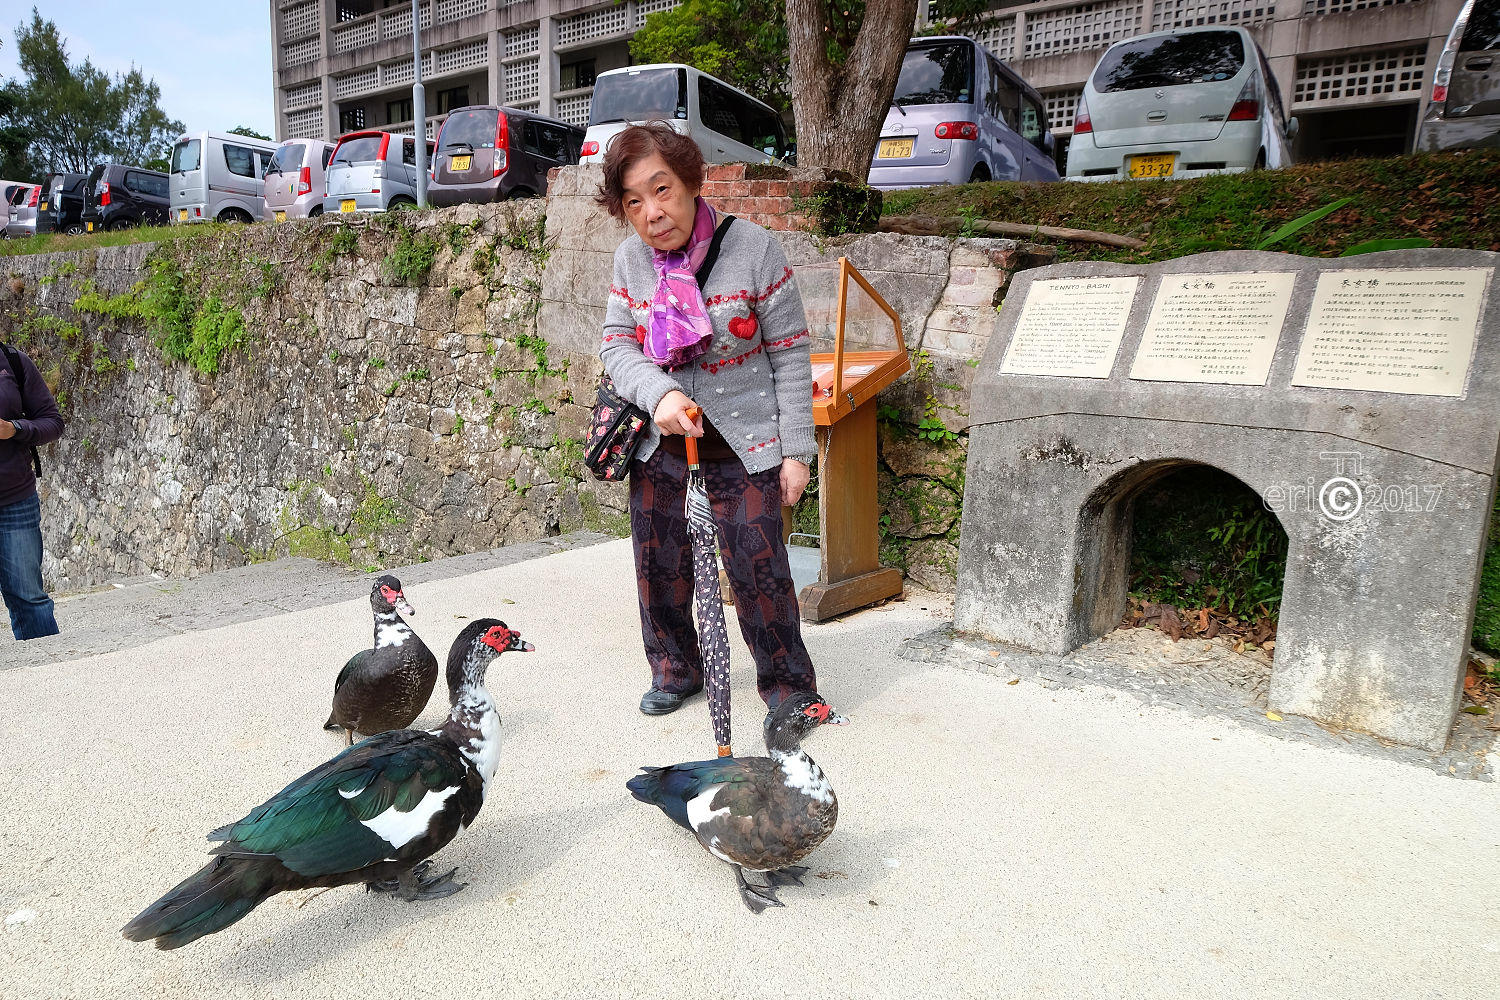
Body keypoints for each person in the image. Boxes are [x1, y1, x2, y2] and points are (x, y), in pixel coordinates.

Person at [597, 122, 819, 718]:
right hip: (661, 449)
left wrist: (797, 452)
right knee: (659, 568)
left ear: (692, 181)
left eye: (661, 190)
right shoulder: (630, 262)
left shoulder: (755, 249)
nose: (652, 213)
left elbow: (791, 353)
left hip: (745, 450)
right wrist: (660, 394)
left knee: (760, 573)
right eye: (633, 202)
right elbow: (617, 344)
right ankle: (675, 670)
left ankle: (789, 689)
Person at [0, 341, 64, 639]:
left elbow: (53, 422)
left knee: (29, 598)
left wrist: (15, 428)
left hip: (15, 501)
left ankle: (52, 666)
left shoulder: (13, 361)